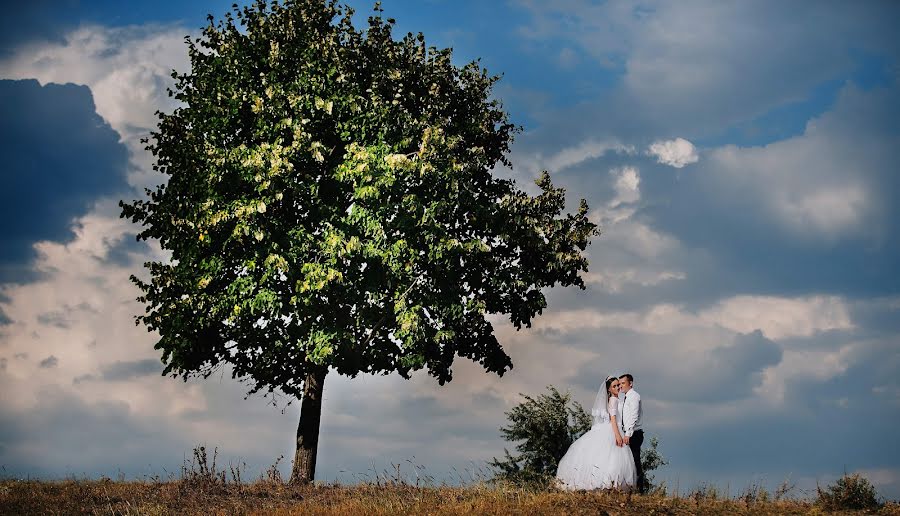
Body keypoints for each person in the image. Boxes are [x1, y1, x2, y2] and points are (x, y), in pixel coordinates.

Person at [555, 376, 637, 490]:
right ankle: (609, 484)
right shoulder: (613, 400)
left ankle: (612, 485)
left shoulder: (617, 399)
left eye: (618, 385)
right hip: (614, 430)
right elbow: (613, 418)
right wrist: (617, 435)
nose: (618, 387)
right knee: (613, 458)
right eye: (614, 386)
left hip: (616, 429)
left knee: (612, 459)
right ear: (609, 389)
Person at [619, 373, 645, 493]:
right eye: (620, 384)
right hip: (629, 433)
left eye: (623, 383)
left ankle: (640, 490)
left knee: (635, 461)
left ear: (631, 383)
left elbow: (634, 416)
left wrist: (628, 433)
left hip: (634, 434)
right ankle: (631, 488)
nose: (621, 386)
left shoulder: (634, 396)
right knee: (629, 462)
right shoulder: (626, 398)